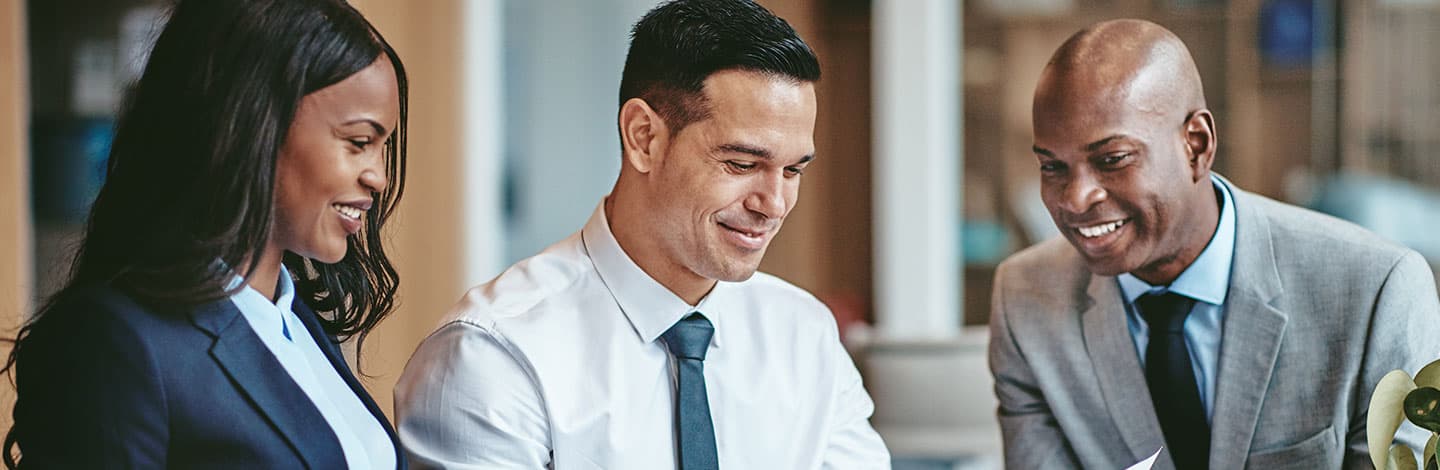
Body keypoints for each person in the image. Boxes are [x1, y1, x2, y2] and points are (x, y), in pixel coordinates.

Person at [393, 0, 890, 468]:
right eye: (741, 164)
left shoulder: (805, 335)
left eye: (792, 171)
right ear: (643, 137)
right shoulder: (495, 356)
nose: (773, 204)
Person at [988, 18, 1440, 469]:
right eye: (1053, 167)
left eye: (1112, 159)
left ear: (1196, 146)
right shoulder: (1026, 298)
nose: (1075, 197)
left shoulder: (1376, 290)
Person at [4, 0, 410, 467]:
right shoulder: (117, 343)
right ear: (252, 123)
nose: (378, 177)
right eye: (359, 142)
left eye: (383, 147)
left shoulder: (293, 319)